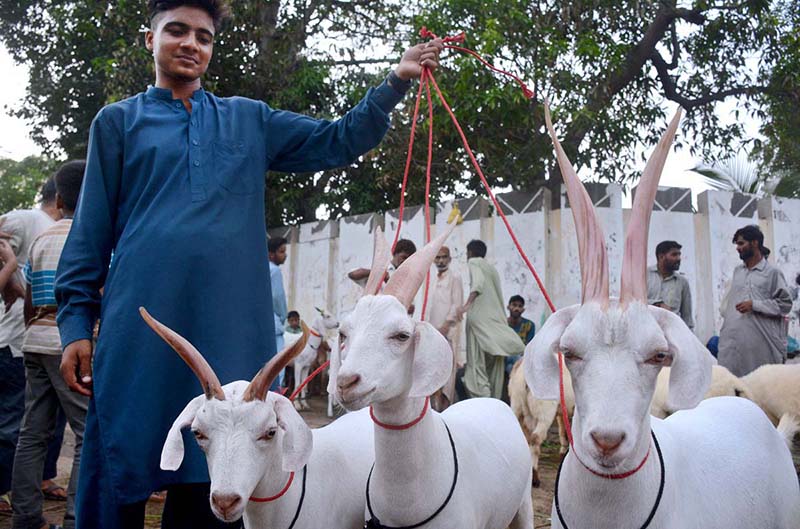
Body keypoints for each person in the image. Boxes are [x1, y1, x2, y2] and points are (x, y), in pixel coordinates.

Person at [53, 1, 443, 527]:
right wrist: (76, 323)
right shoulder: (118, 123)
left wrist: (396, 80)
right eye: (177, 31)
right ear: (151, 40)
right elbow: (90, 234)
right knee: (120, 454)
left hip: (231, 330)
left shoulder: (249, 119)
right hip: (142, 330)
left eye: (204, 36)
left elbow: (337, 139)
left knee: (224, 464)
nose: (191, 43)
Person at [11, 160, 89, 529]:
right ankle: (77, 516)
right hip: (70, 342)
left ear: (58, 200)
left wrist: (33, 333)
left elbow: (28, 297)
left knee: (32, 431)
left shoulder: (42, 238)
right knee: (87, 431)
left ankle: (26, 515)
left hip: (34, 341)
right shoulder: (91, 236)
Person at [0, 179, 59, 514]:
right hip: (13, 339)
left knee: (40, 421)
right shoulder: (24, 218)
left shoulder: (57, 227)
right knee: (14, 421)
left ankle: (43, 480)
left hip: (34, 339)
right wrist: (17, 288)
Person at [718, 225, 791, 376]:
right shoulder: (738, 271)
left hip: (761, 346)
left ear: (755, 243)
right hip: (733, 344)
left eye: (741, 243)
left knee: (761, 389)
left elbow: (785, 304)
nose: (738, 248)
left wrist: (755, 305)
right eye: (737, 244)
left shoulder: (772, 273)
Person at [458, 240, 524, 399]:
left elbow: (478, 284)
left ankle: (484, 401)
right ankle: (493, 401)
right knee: (495, 366)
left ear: (470, 253)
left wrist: (466, 306)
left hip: (479, 320)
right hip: (496, 321)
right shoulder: (492, 269)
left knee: (476, 365)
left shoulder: (474, 262)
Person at [423, 245, 463, 411]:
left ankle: (445, 414)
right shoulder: (430, 280)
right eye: (437, 257)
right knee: (432, 373)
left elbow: (457, 305)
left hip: (448, 333)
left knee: (447, 378)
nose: (440, 261)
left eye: (443, 257)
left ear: (450, 259)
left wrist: (445, 326)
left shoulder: (455, 278)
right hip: (431, 334)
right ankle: (433, 413)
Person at [647, 240, 694, 329]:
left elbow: (687, 318)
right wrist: (656, 304)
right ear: (661, 257)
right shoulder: (644, 276)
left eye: (679, 254)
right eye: (674, 255)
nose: (678, 258)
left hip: (672, 335)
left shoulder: (682, 282)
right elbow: (634, 303)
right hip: (647, 332)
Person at [348, 238, 417, 288]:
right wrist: (380, 274)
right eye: (403, 257)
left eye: (408, 259)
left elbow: (411, 306)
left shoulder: (407, 277)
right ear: (395, 253)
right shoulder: (380, 267)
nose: (404, 261)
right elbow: (352, 274)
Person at [269, 237, 289, 382]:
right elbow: (277, 297)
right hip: (274, 322)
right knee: (277, 367)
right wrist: (283, 316)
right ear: (271, 254)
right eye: (281, 251)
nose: (285, 255)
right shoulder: (274, 271)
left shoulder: (259, 268)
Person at [506, 294, 535, 372]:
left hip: (521, 358)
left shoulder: (529, 325)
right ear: (508, 307)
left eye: (520, 306)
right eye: (514, 305)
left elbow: (529, 347)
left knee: (512, 366)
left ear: (523, 309)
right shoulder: (503, 324)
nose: (517, 308)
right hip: (504, 356)